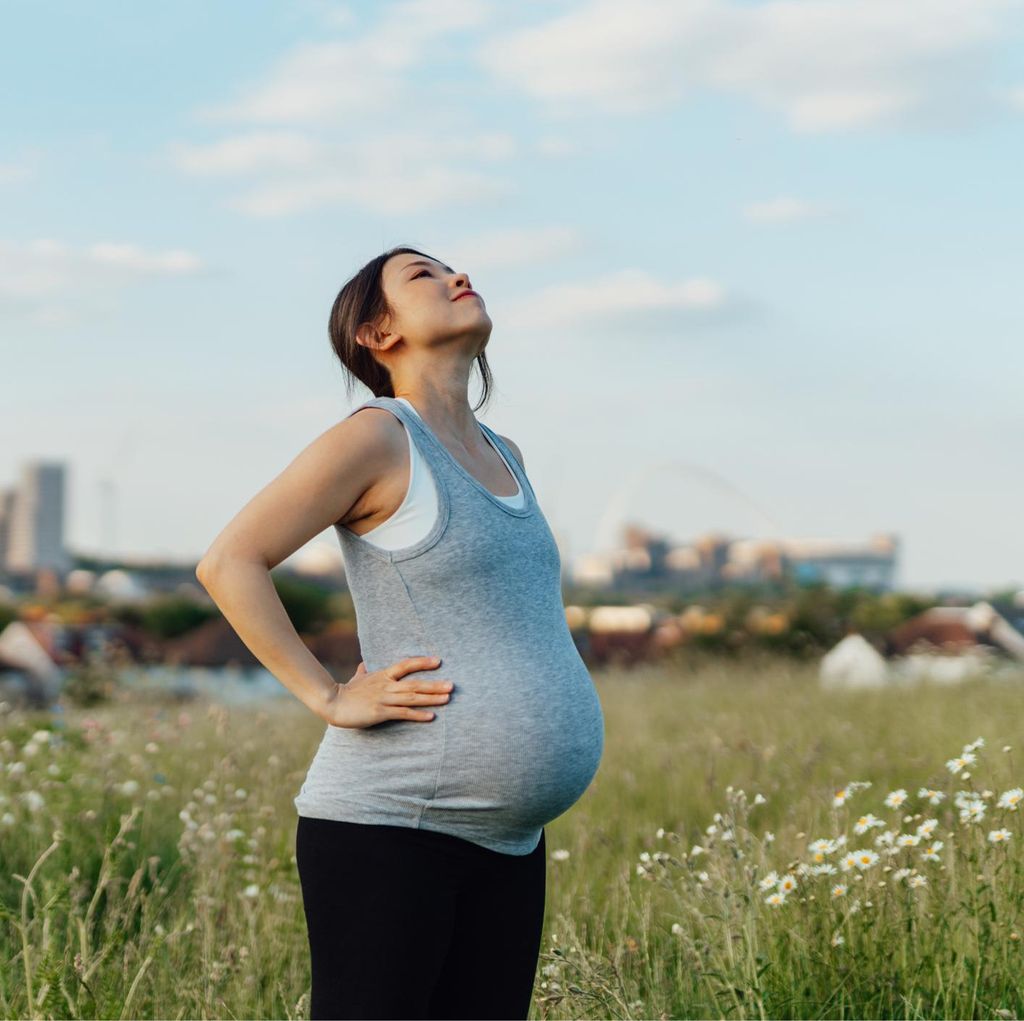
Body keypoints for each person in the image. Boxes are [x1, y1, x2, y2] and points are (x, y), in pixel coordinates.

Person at [195, 245, 605, 1019]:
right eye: (424, 275)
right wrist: (327, 694)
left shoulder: (505, 453)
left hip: (509, 837)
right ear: (377, 333)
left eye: (453, 267)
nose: (458, 276)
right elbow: (230, 561)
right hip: (393, 824)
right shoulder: (377, 438)